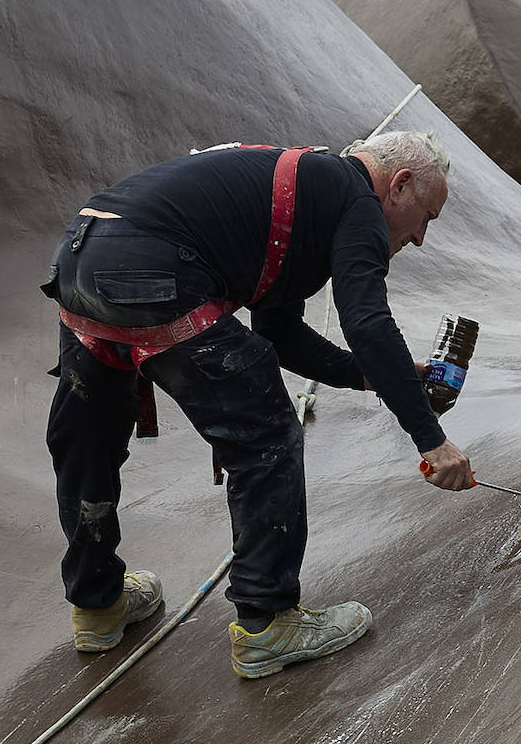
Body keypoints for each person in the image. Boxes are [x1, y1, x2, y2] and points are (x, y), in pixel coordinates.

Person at [41, 131, 473, 679]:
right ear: (400, 185)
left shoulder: (303, 194)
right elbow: (368, 322)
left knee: (88, 437)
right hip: (155, 271)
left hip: (83, 257)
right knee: (266, 435)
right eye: (426, 217)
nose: (420, 239)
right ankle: (268, 624)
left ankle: (98, 604)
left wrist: (374, 378)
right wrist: (431, 441)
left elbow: (282, 333)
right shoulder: (357, 198)